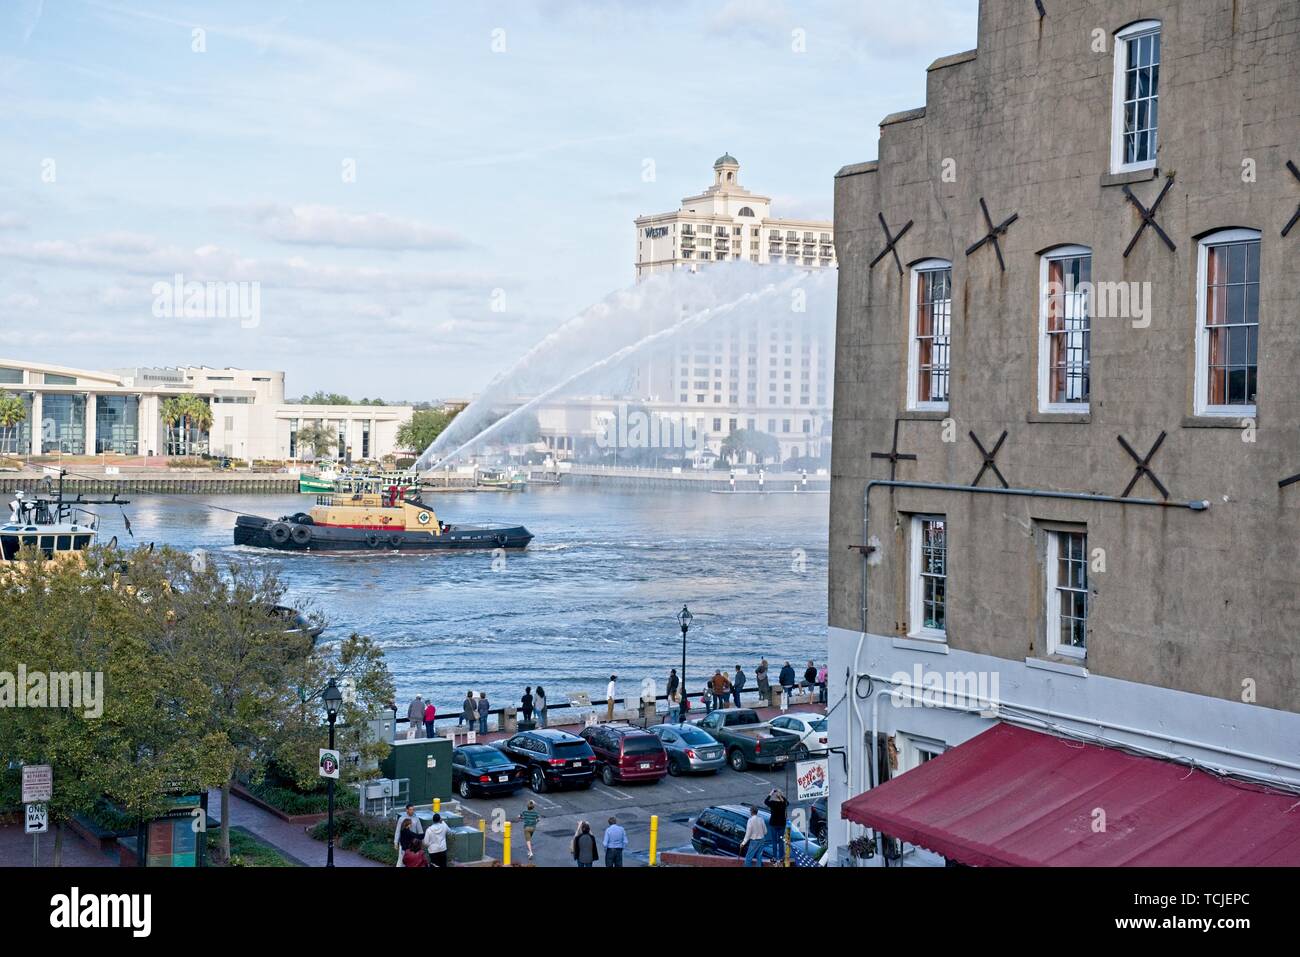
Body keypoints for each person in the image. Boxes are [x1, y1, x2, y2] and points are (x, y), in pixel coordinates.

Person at [764, 788, 789, 862]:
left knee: (774, 841)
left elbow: (765, 801)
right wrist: (781, 796)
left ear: (775, 796)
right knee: (781, 841)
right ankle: (781, 857)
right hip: (782, 824)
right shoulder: (783, 803)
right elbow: (787, 802)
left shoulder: (772, 803)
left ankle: (774, 857)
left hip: (773, 824)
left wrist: (771, 793)